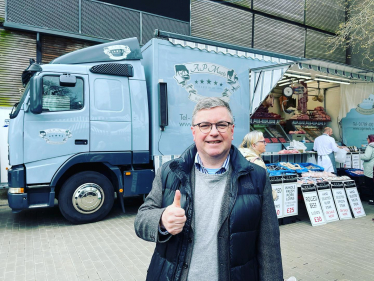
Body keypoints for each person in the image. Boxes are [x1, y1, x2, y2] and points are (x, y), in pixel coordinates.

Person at [134, 97, 283, 281]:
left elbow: (269, 247)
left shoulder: (257, 177)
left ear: (232, 130)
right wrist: (162, 220)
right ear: (194, 132)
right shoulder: (169, 172)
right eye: (205, 125)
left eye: (221, 124)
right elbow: (141, 219)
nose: (214, 132)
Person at [361, 134, 374, 205]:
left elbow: (367, 157)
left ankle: (372, 199)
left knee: (370, 183)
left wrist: (361, 156)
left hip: (370, 167)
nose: (367, 140)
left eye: (367, 138)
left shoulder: (370, 146)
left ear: (370, 139)